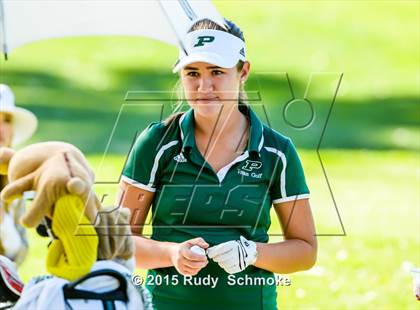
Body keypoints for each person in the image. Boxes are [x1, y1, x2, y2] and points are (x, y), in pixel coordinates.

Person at [118, 18, 317, 309]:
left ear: (243, 71)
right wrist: (173, 254)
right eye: (192, 73)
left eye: (217, 72)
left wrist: (253, 253)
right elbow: (118, 242)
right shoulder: (156, 143)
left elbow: (305, 250)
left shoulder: (278, 151)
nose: (203, 86)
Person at [0, 84, 37, 266]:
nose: (0, 128)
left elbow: (19, 253)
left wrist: (3, 221)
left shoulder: (16, 180)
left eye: (6, 120)